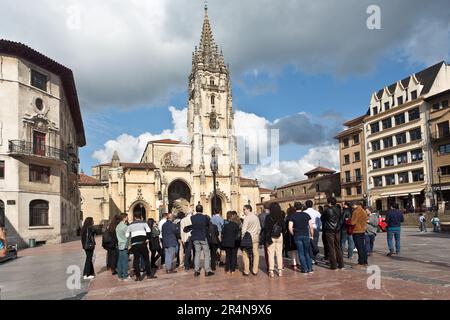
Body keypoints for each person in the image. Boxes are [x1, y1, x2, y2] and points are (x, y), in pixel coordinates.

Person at [126, 211, 156, 281]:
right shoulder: (144, 223)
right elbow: (148, 231)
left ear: (134, 217)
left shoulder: (130, 225)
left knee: (136, 260)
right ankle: (148, 275)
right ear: (140, 216)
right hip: (142, 243)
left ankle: (138, 276)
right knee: (146, 259)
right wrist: (147, 239)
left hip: (134, 244)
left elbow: (127, 235)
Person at [288, 202, 314, 274]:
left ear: (295, 208)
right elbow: (311, 226)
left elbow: (290, 228)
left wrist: (293, 234)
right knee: (307, 253)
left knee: (301, 253)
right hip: (306, 235)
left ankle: (304, 269)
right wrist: (311, 235)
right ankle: (310, 268)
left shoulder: (292, 216)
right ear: (302, 207)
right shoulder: (306, 215)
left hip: (297, 235)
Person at [191, 204, 215, 277]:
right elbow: (208, 226)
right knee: (206, 254)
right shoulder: (205, 217)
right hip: (203, 237)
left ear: (196, 210)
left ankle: (196, 270)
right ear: (202, 210)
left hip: (195, 237)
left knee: (197, 254)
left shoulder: (192, 217)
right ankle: (207, 270)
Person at [321, 198, 344, 270]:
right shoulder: (339, 209)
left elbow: (322, 218)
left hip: (329, 230)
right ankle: (341, 264)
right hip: (337, 229)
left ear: (329, 202)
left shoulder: (327, 210)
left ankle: (334, 265)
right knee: (338, 247)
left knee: (331, 247)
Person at [264, 202, 285, 277]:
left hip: (270, 237)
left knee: (271, 254)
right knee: (279, 253)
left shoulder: (268, 217)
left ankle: (271, 271)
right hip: (279, 236)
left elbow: (266, 228)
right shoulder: (281, 217)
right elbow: (284, 228)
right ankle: (279, 270)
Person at [241, 204, 261, 276]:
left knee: (245, 253)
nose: (243, 211)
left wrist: (242, 238)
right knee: (255, 253)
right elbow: (259, 228)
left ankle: (246, 270)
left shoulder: (247, 218)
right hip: (255, 237)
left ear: (248, 209)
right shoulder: (256, 217)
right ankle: (255, 270)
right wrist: (257, 234)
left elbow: (243, 230)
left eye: (244, 209)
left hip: (247, 238)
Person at [351, 202, 368, 267]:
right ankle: (365, 261)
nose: (352, 207)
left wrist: (348, 220)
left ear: (356, 205)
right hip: (362, 230)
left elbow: (353, 222)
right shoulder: (363, 211)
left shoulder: (356, 211)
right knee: (362, 247)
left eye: (353, 205)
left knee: (359, 247)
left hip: (356, 230)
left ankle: (361, 262)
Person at [116, 213, 131, 281]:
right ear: (124, 218)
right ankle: (125, 276)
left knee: (120, 261)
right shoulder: (125, 227)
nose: (128, 218)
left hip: (120, 245)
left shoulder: (118, 226)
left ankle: (119, 276)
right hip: (125, 245)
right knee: (125, 261)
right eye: (127, 217)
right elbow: (128, 236)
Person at [259, 203, 270, 272]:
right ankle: (281, 265)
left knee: (267, 251)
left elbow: (259, 226)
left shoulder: (260, 216)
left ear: (263, 208)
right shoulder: (273, 215)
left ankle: (268, 265)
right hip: (273, 234)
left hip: (264, 235)